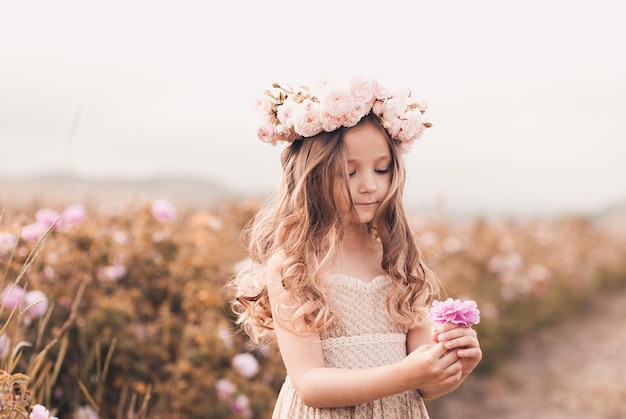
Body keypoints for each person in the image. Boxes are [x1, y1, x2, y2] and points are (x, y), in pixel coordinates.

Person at [229, 77, 482, 418]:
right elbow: (310, 385)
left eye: (382, 169)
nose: (369, 186)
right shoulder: (295, 268)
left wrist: (455, 365)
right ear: (314, 175)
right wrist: (406, 373)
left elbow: (425, 384)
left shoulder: (399, 261)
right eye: (349, 172)